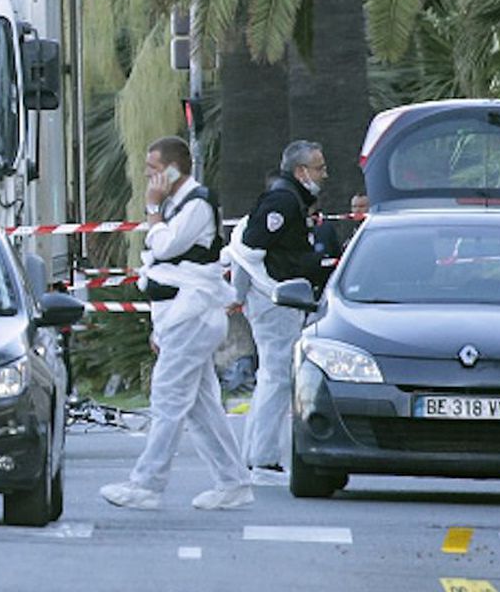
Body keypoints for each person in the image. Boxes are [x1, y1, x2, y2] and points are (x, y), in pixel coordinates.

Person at [99, 136, 253, 511]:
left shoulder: (197, 203)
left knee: (168, 397)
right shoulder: (178, 203)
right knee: (202, 408)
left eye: (153, 169)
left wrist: (152, 211)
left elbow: (166, 246)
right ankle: (233, 482)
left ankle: (147, 484)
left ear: (172, 169)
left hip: (194, 316)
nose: (148, 176)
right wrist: (161, 328)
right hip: (182, 318)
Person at [224, 140, 332, 486]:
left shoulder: (288, 198)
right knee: (278, 376)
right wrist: (253, 287)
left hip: (276, 297)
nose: (324, 174)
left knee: (273, 376)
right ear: (301, 171)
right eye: (318, 168)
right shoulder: (283, 201)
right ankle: (264, 458)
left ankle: (256, 454)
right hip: (275, 300)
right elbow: (249, 246)